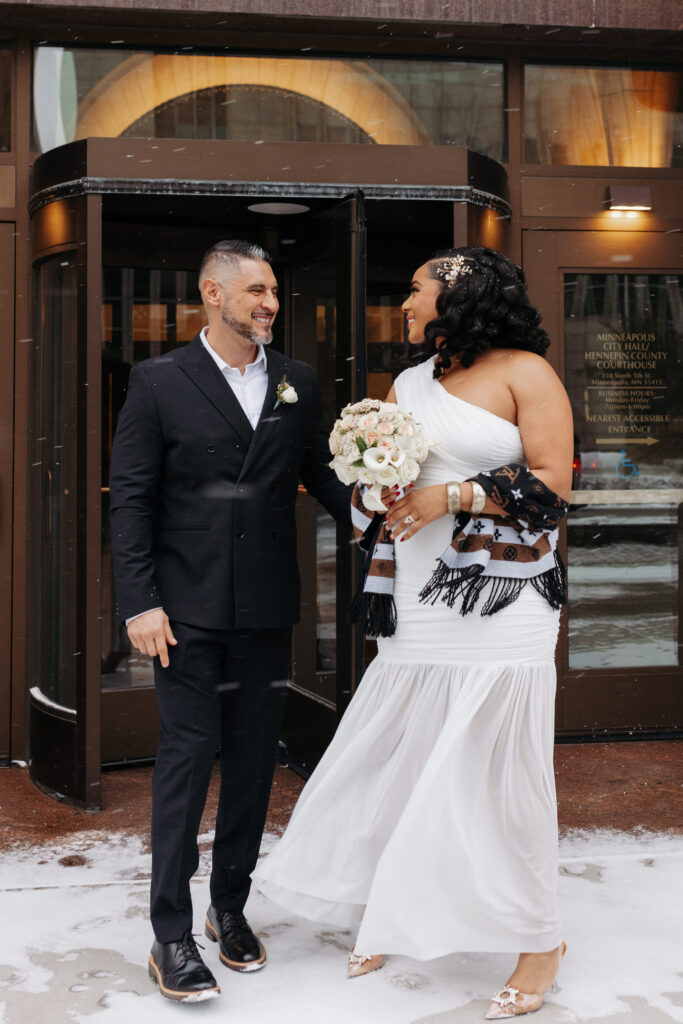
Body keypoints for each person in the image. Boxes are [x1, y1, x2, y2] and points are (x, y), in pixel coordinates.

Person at [254, 246, 573, 1020]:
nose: (404, 302)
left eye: (415, 289)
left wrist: (453, 495)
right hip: (419, 602)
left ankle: (539, 940)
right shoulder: (407, 384)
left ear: (459, 297)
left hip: (501, 603)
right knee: (399, 759)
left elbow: (554, 483)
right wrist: (381, 482)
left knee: (499, 776)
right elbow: (384, 487)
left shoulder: (524, 372)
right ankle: (393, 906)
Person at [109, 239, 351, 1003]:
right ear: (212, 295)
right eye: (254, 290)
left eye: (273, 290)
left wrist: (377, 514)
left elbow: (318, 471)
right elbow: (133, 500)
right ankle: (170, 934)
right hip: (183, 609)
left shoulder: (296, 381)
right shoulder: (157, 382)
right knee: (186, 761)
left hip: (267, 605)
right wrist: (139, 601)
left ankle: (229, 907)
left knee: (252, 762)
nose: (269, 302)